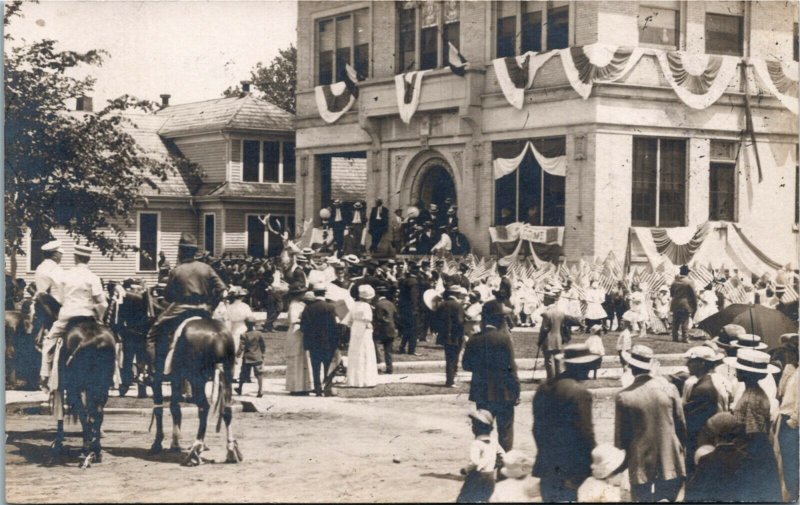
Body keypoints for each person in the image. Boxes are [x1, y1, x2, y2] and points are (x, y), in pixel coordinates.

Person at [145, 233, 227, 380]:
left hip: (181, 308)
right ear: (195, 251)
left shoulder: (177, 270)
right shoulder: (207, 268)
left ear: (182, 251)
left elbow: (169, 296)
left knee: (153, 333)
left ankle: (153, 371)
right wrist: (211, 304)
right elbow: (222, 289)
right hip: (203, 309)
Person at [615, 344, 687, 502]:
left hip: (640, 459)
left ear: (631, 367)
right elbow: (680, 424)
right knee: (668, 498)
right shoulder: (670, 388)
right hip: (670, 457)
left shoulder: (624, 396)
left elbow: (621, 437)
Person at [39, 245, 108, 394]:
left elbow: (62, 299)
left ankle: (45, 377)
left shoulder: (65, 275)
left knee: (49, 342)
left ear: (75, 258)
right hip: (88, 316)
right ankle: (112, 375)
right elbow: (101, 302)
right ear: (88, 259)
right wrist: (99, 317)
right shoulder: (93, 277)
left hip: (68, 316)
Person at [532, 343, 596, 502]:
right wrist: (591, 462)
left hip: (546, 461)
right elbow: (585, 433)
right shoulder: (579, 393)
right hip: (571, 466)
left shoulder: (544, 387)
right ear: (585, 366)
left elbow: (537, 428)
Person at [724, 348, 782, 501]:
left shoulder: (753, 398)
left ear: (748, 373)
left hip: (751, 454)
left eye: (740, 369)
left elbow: (752, 433)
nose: (737, 371)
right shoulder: (752, 392)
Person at [462, 301, 520, 452]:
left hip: (482, 391)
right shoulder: (504, 339)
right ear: (499, 319)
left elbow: (466, 365)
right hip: (504, 391)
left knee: (483, 429)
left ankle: (483, 464)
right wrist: (517, 391)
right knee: (505, 431)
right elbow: (511, 368)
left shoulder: (474, 339)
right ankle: (504, 466)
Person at [681, 345, 726, 475]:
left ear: (701, 363)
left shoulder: (703, 389)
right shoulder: (706, 382)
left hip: (700, 438)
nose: (687, 364)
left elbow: (691, 419)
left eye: (691, 361)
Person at [34, 240, 65, 389]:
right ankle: (44, 375)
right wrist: (53, 317)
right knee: (50, 342)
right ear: (54, 254)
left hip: (63, 307)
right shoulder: (47, 269)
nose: (62, 256)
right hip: (54, 309)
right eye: (60, 253)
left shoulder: (54, 268)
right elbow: (43, 295)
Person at [300, 282, 340, 397]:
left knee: (315, 367)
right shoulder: (330, 307)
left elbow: (304, 326)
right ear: (324, 293)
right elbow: (334, 326)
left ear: (314, 293)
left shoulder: (308, 308)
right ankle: (327, 388)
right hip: (328, 341)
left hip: (313, 342)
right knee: (328, 366)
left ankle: (317, 389)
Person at [457, 408, 502, 503]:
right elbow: (502, 455)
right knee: (485, 498)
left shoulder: (476, 443)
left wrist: (465, 470)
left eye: (474, 424)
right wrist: (495, 464)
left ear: (475, 429)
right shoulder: (494, 441)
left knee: (464, 498)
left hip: (477, 477)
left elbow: (474, 462)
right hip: (490, 477)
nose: (472, 427)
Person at [776, 333, 798, 502]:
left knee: (791, 463)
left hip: (791, 422)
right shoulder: (794, 370)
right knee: (787, 462)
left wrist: (793, 422)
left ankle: (793, 496)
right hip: (787, 418)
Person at [538, 292, 582, 379]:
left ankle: (550, 379)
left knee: (549, 361)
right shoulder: (560, 313)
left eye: (545, 299)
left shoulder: (546, 313)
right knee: (557, 360)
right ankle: (558, 378)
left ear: (548, 300)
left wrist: (540, 340)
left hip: (548, 339)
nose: (544, 301)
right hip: (558, 339)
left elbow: (544, 329)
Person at [342, 285, 378, 388]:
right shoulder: (366, 307)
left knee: (355, 353)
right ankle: (366, 380)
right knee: (365, 352)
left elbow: (348, 321)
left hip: (355, 329)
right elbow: (368, 319)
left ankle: (354, 380)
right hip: (364, 331)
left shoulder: (354, 305)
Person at [432, 284, 466, 388]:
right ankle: (451, 380)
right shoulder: (457, 305)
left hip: (445, 335)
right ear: (456, 294)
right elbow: (460, 321)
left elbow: (436, 319)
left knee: (449, 358)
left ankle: (450, 379)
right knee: (454, 357)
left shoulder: (442, 304)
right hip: (456, 334)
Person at [284, 283, 312, 395]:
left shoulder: (300, 304)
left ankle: (304, 386)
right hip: (296, 332)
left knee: (303, 359)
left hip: (300, 332)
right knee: (296, 359)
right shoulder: (294, 305)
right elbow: (293, 320)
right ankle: (296, 387)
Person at [235, 316, 265, 397]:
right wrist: (263, 354)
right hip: (257, 357)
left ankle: (240, 388)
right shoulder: (259, 334)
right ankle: (260, 390)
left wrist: (237, 356)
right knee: (259, 374)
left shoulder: (244, 335)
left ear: (246, 324)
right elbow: (263, 345)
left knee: (243, 374)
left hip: (247, 357)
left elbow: (241, 347)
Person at [372, 284, 398, 375]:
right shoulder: (391, 303)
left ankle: (378, 366)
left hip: (381, 330)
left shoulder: (378, 305)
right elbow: (395, 316)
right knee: (388, 350)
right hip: (391, 329)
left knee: (376, 348)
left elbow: (378, 318)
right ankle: (389, 368)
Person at [398, 263, 422, 356]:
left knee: (407, 330)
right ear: (417, 271)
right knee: (414, 331)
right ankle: (411, 350)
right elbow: (414, 297)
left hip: (404, 308)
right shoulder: (414, 282)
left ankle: (402, 347)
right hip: (411, 309)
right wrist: (415, 309)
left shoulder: (405, 280)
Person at [670, 265, 697, 343]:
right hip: (685, 304)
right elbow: (693, 295)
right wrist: (694, 305)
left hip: (675, 303)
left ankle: (675, 337)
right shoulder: (689, 281)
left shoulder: (674, 281)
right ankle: (685, 338)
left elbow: (671, 293)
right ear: (687, 273)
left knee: (675, 321)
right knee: (685, 321)